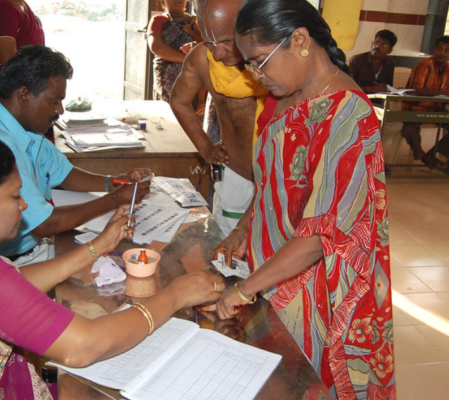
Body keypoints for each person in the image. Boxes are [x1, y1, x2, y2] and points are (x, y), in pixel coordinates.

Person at [0, 132, 222, 399]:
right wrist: (175, 295)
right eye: (15, 196)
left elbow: (7, 284)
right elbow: (85, 346)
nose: (24, 206)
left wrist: (98, 247)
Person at [210, 0, 396, 398]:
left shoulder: (349, 118)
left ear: (300, 40)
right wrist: (245, 227)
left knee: (305, 383)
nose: (257, 76)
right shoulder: (284, 96)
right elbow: (273, 183)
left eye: (260, 61)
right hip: (274, 273)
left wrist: (244, 290)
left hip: (319, 289)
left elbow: (317, 237)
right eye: (250, 65)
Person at [0, 45, 152, 266]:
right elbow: (43, 224)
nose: (60, 110)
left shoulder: (23, 127)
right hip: (7, 263)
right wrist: (115, 199)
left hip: (33, 248)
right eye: (55, 100)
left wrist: (113, 182)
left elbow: (64, 174)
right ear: (25, 95)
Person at [170, 0, 268, 237]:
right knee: (227, 252)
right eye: (209, 41)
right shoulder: (203, 59)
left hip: (279, 181)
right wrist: (204, 147)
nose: (217, 52)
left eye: (226, 41)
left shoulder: (277, 60)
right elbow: (179, 101)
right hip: (237, 176)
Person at [400, 36, 449, 169]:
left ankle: (433, 155)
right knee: (409, 129)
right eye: (439, 49)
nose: (442, 53)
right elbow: (417, 91)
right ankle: (424, 157)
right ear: (434, 49)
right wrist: (442, 94)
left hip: (435, 109)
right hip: (415, 108)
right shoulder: (424, 66)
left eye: (447, 50)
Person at [0, 0, 45, 101]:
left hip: (25, 88)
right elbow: (7, 59)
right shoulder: (4, 8)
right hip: (15, 93)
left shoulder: (18, 5)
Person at [147, 0, 203, 103]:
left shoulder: (194, 21)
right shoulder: (159, 20)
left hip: (195, 79)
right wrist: (189, 60)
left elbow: (206, 44)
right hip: (167, 78)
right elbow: (157, 47)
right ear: (163, 3)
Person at [349, 30, 398, 94]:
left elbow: (388, 86)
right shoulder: (356, 60)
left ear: (390, 50)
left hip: (379, 101)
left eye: (384, 45)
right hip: (357, 99)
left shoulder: (390, 63)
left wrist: (396, 91)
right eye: (376, 42)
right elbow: (348, 87)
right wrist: (370, 89)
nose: (377, 46)